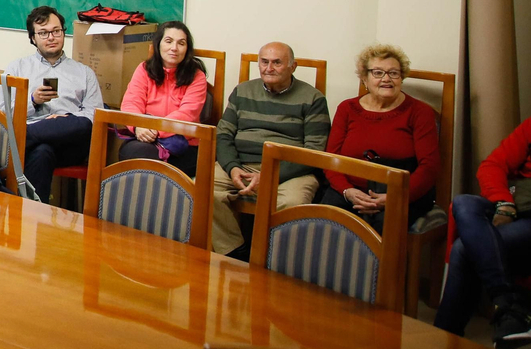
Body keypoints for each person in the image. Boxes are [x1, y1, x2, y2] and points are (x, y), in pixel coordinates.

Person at [211, 42, 330, 256]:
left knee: (292, 203)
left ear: (293, 67)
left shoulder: (313, 99)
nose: (269, 68)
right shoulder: (243, 91)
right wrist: (232, 167)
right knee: (202, 186)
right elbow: (223, 134)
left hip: (289, 170)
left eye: (277, 63)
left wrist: (269, 175)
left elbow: (314, 151)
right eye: (264, 62)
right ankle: (235, 253)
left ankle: (276, 261)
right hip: (242, 164)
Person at [434, 114, 531, 348]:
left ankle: (442, 341)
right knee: (463, 203)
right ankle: (511, 308)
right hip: (514, 207)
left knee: (465, 248)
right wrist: (505, 203)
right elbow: (492, 165)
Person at [317, 44, 439, 230]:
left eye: (393, 73)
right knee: (324, 225)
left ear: (402, 78)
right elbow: (331, 159)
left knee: (381, 230)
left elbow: (429, 167)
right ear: (364, 78)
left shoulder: (420, 112)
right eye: (378, 73)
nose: (386, 79)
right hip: (350, 190)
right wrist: (347, 191)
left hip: (402, 194)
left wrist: (395, 197)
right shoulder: (347, 109)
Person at [2, 6, 104, 203]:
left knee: (81, 124)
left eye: (56, 31)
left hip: (68, 141)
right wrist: (32, 101)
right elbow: (2, 113)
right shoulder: (17, 68)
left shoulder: (84, 72)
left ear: (63, 32)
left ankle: (21, 140)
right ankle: (33, 219)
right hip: (37, 146)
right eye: (43, 33)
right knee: (42, 152)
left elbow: (94, 115)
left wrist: (66, 120)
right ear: (33, 38)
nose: (51, 37)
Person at [117, 20, 209, 175]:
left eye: (181, 43)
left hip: (184, 145)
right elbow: (131, 103)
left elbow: (187, 114)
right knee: (133, 153)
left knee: (143, 161)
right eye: (168, 41)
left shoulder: (197, 76)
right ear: (158, 44)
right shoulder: (144, 69)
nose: (174, 48)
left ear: (187, 49)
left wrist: (155, 129)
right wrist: (138, 126)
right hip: (145, 139)